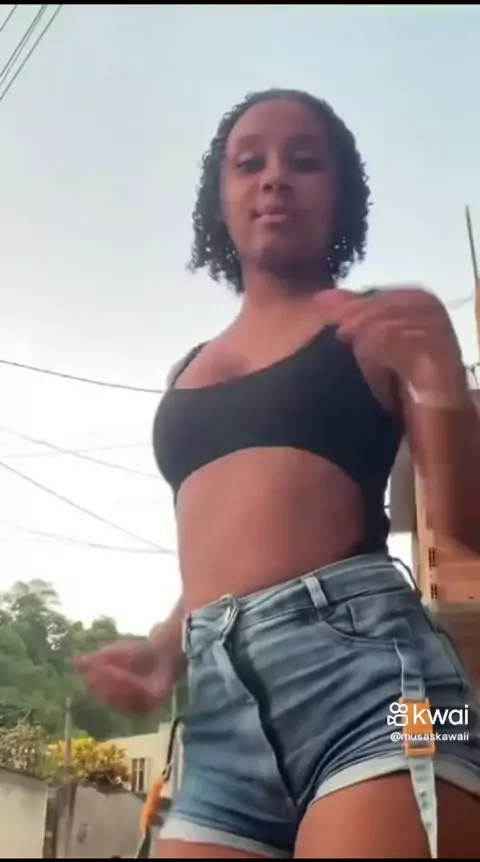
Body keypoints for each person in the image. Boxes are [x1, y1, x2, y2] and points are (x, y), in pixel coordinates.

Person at [75, 89, 480, 858]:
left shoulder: (384, 323)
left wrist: (442, 383)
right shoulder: (187, 371)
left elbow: (468, 527)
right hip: (219, 723)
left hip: (388, 689)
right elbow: (231, 542)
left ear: (342, 193)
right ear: (219, 198)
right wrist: (165, 646)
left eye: (304, 161)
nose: (274, 178)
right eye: (249, 162)